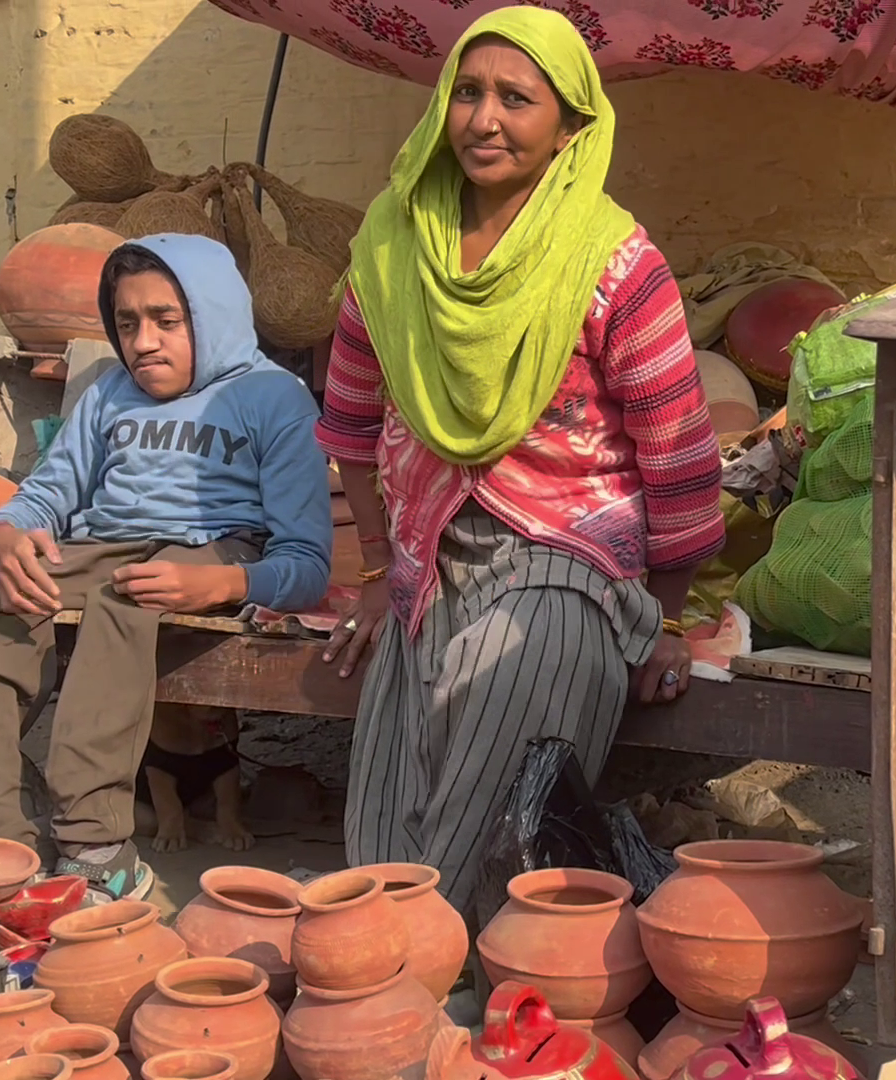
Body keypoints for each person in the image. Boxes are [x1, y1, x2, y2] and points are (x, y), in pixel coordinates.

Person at [316, 7, 726, 913]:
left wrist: (659, 621)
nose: (484, 118)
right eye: (467, 93)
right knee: (387, 796)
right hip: (428, 560)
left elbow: (682, 464)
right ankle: (381, 960)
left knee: (503, 739)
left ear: (571, 128)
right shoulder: (392, 249)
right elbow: (349, 424)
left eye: (517, 98)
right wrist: (383, 574)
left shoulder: (615, 264)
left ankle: (447, 960)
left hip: (570, 565)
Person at [0, 233, 333, 900]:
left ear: (212, 314)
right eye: (127, 324)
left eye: (166, 321)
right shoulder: (108, 394)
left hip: (214, 549)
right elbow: (50, 492)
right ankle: (7, 842)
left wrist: (224, 583)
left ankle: (97, 849)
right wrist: (6, 532)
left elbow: (306, 563)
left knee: (125, 605)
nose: (143, 341)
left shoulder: (275, 397)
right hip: (103, 547)